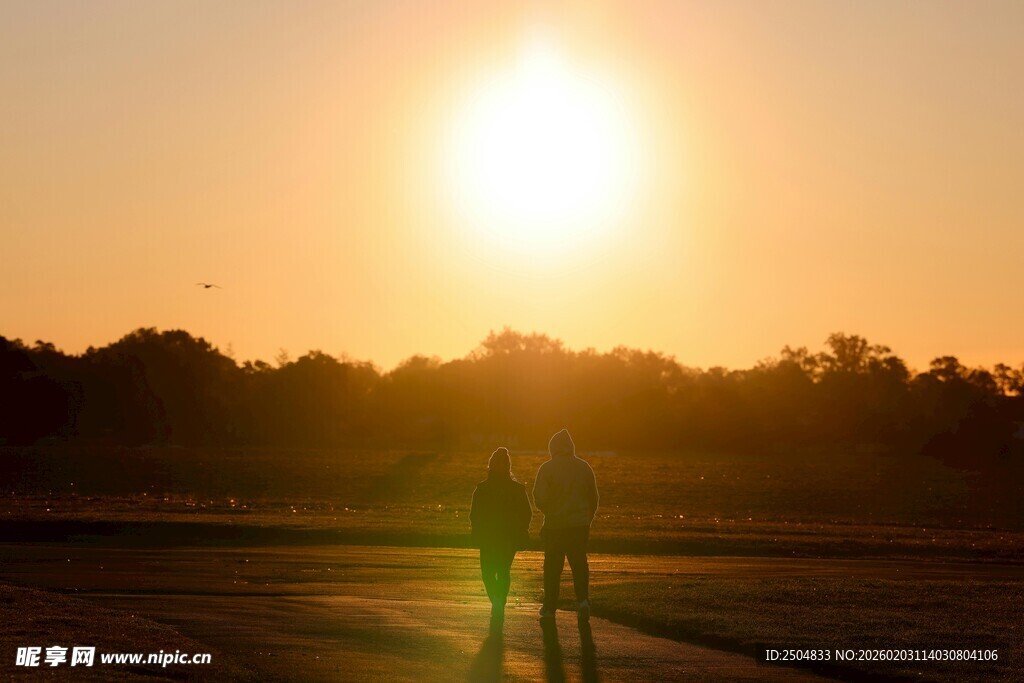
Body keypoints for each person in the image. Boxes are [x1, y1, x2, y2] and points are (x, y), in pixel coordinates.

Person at [533, 429, 599, 624]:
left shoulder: (547, 468)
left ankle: (550, 607)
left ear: (553, 448)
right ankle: (583, 601)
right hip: (579, 525)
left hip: (555, 525)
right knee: (579, 565)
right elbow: (593, 497)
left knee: (552, 568)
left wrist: (549, 511)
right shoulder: (584, 467)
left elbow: (539, 498)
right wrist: (587, 519)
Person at [470, 447, 533, 633]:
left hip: (490, 536)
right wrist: (521, 529)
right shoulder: (517, 489)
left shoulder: (482, 489)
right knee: (502, 569)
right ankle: (499, 601)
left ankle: (497, 601)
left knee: (488, 573)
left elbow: (475, 514)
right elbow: (526, 513)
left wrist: (477, 530)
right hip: (509, 537)